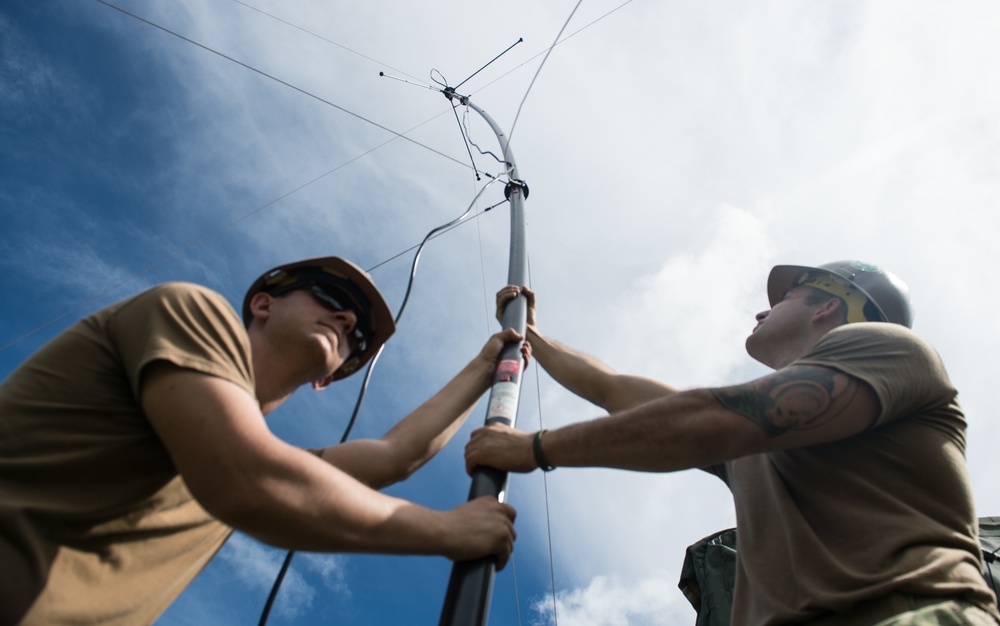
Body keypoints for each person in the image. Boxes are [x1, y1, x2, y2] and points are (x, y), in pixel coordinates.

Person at [467, 261, 1000, 625]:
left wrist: (530, 449)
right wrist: (531, 335)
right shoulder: (755, 443)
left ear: (827, 307)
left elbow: (713, 419)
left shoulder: (891, 348)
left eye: (785, 297)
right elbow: (618, 392)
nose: (763, 312)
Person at [0, 256, 521, 625]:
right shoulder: (188, 310)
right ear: (263, 303)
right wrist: (447, 530)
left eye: (358, 337)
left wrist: (488, 364)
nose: (345, 320)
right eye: (332, 298)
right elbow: (249, 478)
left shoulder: (257, 461)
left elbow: (394, 455)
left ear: (327, 380)